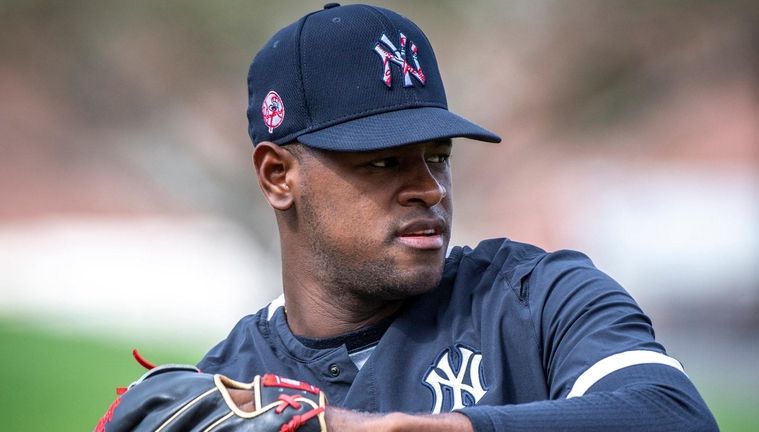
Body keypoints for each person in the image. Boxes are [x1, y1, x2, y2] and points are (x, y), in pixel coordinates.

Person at [102, 3, 719, 431]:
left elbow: (675, 415)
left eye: (437, 157)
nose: (428, 188)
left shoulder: (540, 299)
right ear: (277, 176)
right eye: (382, 163)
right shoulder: (233, 388)